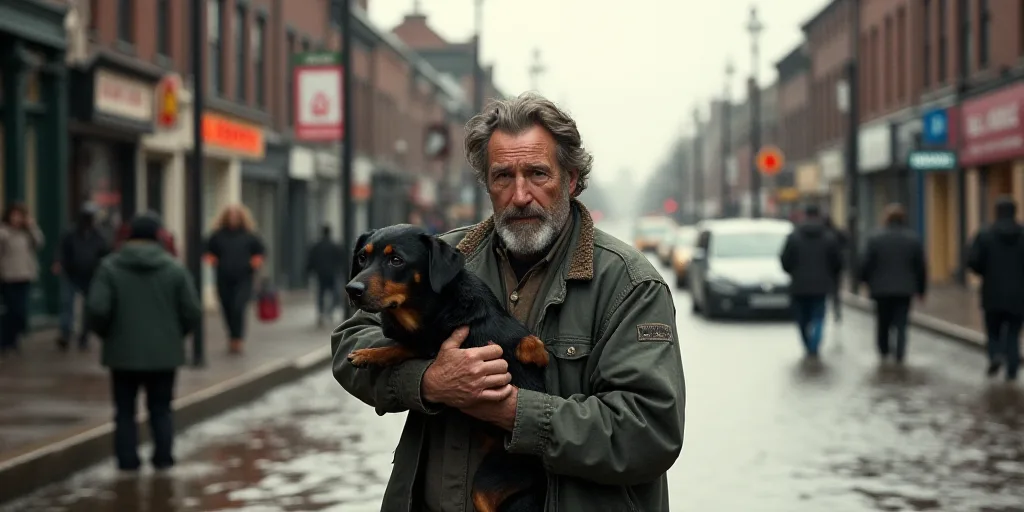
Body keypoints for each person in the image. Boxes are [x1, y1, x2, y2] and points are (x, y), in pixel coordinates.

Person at [332, 93, 686, 511]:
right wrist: (429, 381)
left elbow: (648, 431)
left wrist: (514, 411)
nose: (520, 195)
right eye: (503, 176)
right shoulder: (440, 259)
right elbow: (349, 343)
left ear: (571, 180)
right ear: (487, 185)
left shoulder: (629, 284)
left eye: (537, 173)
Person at [85, 214, 202, 472]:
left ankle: (127, 463)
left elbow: (97, 309)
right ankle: (163, 460)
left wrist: (110, 335)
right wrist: (174, 334)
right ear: (158, 236)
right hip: (164, 354)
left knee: (125, 411)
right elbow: (192, 311)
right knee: (161, 409)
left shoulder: (110, 267)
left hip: (122, 354)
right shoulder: (174, 268)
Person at [858, 203, 927, 364]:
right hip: (904, 289)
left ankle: (884, 350)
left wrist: (864, 281)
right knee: (901, 322)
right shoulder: (912, 239)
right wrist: (921, 289)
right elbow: (920, 267)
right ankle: (900, 353)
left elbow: (866, 263)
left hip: (881, 289)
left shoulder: (875, 238)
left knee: (883, 321)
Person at [967, 196, 1024, 381]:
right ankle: (1012, 370)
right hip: (1018, 294)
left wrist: (985, 271)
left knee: (993, 331)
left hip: (992, 292)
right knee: (1013, 333)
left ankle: (995, 355)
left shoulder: (985, 234)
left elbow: (973, 261)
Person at [780, 204, 843, 358]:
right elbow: (837, 262)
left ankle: (808, 344)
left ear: (805, 215)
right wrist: (830, 275)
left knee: (802, 319)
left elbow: (785, 260)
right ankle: (814, 346)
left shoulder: (794, 236)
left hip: (799, 286)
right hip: (821, 286)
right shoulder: (828, 237)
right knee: (818, 317)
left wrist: (793, 272)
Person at [203, 204, 265, 355]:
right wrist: (214, 262)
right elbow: (207, 251)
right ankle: (231, 336)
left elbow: (260, 252)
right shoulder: (217, 235)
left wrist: (253, 264)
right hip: (223, 278)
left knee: (238, 307)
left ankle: (238, 338)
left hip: (244, 278)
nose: (233, 219)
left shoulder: (249, 236)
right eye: (230, 216)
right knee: (227, 308)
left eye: (236, 216)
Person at [53, 203, 110, 351]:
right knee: (67, 304)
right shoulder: (70, 233)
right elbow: (61, 249)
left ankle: (84, 336)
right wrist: (58, 262)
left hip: (91, 275)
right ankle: (65, 334)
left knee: (88, 307)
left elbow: (105, 253)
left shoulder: (99, 236)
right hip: (71, 273)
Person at [0, 203, 44, 356]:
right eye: (14, 215)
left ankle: (13, 338)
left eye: (20, 215)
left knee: (21, 311)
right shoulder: (4, 232)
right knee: (12, 310)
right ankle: (6, 340)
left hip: (25, 276)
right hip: (8, 277)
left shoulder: (26, 233)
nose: (17, 219)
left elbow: (39, 243)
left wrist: (32, 226)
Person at [305, 224, 344, 327]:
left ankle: (321, 313)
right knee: (335, 293)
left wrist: (309, 271)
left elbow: (311, 260)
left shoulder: (316, 246)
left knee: (321, 293)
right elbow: (340, 260)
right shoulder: (335, 245)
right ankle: (330, 312)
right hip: (332, 273)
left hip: (320, 273)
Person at [822, 213, 848, 322]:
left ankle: (826, 311)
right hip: (834, 268)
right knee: (835, 292)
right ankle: (837, 311)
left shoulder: (823, 235)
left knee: (823, 291)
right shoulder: (836, 232)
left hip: (824, 268)